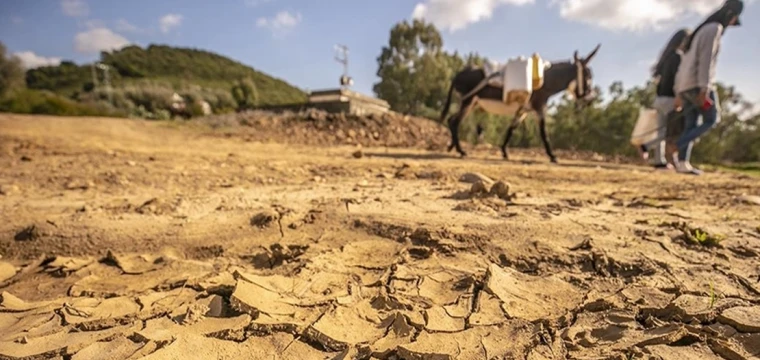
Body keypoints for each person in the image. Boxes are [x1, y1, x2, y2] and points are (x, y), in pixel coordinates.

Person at [668, 0, 744, 175]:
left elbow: (684, 65)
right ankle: (677, 145)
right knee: (712, 119)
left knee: (691, 124)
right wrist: (704, 89)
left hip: (686, 86)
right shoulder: (714, 29)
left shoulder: (698, 32)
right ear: (730, 16)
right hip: (698, 84)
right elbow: (706, 61)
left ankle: (682, 163)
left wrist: (679, 91)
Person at [639, 28, 691, 170]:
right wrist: (680, 96)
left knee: (660, 130)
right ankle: (646, 146)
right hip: (670, 98)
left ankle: (659, 160)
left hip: (659, 98)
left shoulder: (665, 57)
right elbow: (678, 80)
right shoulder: (678, 57)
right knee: (667, 132)